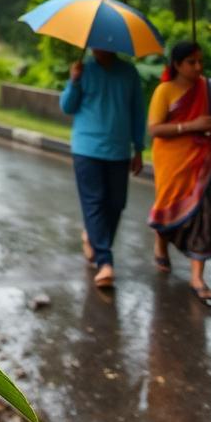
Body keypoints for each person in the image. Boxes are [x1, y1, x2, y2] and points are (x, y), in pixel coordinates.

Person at [147, 42, 211, 305]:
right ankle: (161, 243)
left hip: (204, 162)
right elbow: (155, 129)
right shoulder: (165, 90)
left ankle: (197, 278)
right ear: (177, 65)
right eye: (191, 62)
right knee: (169, 208)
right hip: (172, 162)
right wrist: (190, 126)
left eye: (199, 61)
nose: (198, 67)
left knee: (203, 216)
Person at [60, 48, 145, 289]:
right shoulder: (84, 69)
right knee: (94, 201)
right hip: (87, 148)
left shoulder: (129, 73)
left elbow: (138, 112)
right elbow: (67, 106)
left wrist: (139, 148)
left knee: (116, 203)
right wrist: (74, 81)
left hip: (118, 150)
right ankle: (105, 262)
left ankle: (93, 237)